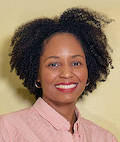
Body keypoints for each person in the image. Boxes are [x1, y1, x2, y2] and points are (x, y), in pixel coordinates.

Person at [0, 7, 117, 142]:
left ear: (89, 69)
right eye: (53, 64)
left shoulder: (105, 138)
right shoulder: (6, 130)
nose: (66, 74)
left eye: (76, 63)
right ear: (37, 73)